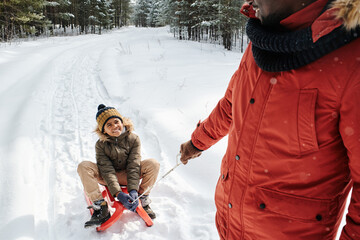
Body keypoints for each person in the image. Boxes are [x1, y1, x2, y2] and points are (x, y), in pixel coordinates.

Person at [180, 0, 360, 239]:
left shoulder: (352, 61)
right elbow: (231, 105)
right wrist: (197, 143)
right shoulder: (261, 40)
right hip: (230, 223)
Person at [78, 104, 160, 228]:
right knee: (84, 166)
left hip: (128, 173)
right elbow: (107, 170)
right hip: (107, 177)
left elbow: (134, 164)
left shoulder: (133, 139)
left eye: (116, 122)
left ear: (122, 122)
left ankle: (143, 198)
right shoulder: (101, 145)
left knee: (153, 164)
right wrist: (118, 193)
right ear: (103, 129)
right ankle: (100, 206)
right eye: (109, 125)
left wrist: (133, 190)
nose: (114, 126)